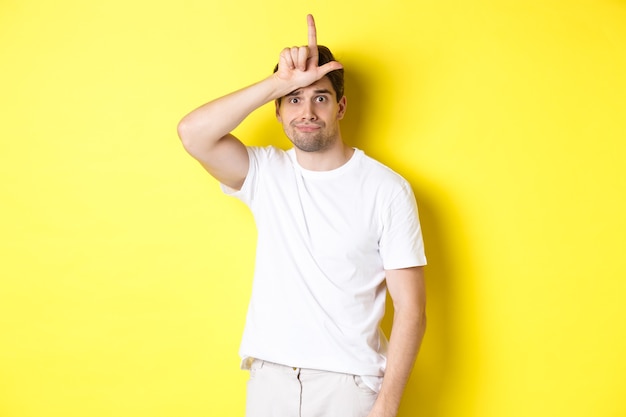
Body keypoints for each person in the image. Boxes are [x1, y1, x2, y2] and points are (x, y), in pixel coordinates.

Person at [177, 14, 427, 417]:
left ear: (340, 106)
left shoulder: (387, 190)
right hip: (270, 381)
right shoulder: (265, 173)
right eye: (294, 99)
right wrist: (279, 82)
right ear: (277, 112)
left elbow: (412, 309)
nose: (306, 110)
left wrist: (386, 406)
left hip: (348, 386)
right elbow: (193, 133)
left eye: (320, 97)